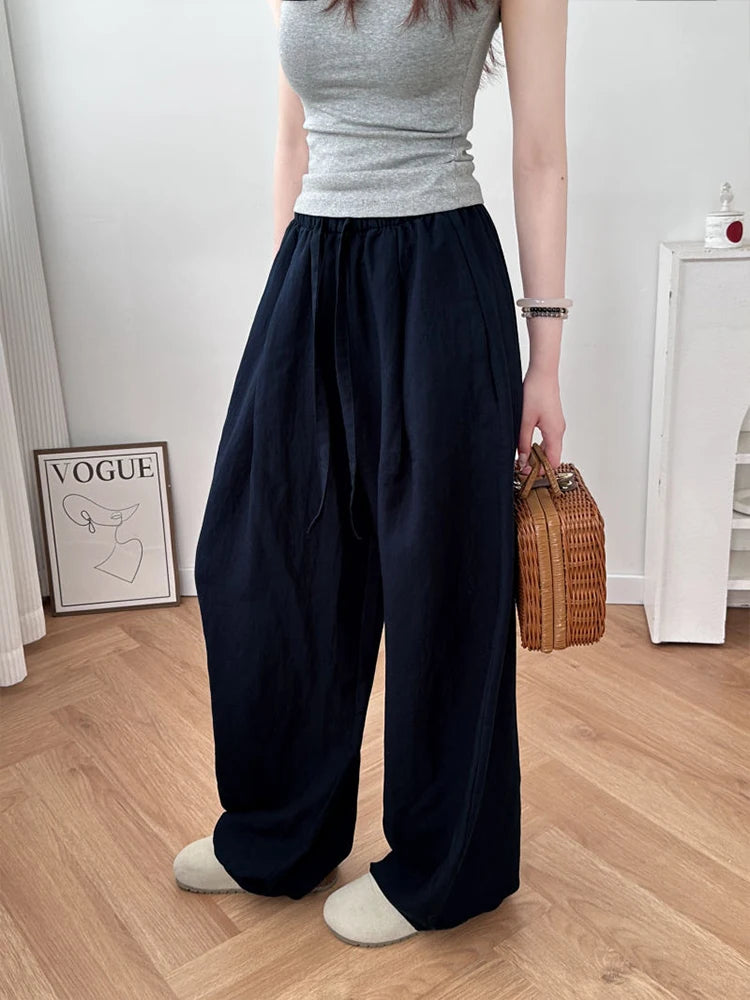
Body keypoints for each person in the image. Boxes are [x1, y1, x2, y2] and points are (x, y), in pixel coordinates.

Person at [174, 0, 569, 947]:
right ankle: (281, 829)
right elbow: (293, 140)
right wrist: (290, 306)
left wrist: (545, 360)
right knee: (264, 558)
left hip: (438, 275)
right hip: (313, 270)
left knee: (441, 582)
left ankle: (444, 865)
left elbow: (541, 155)